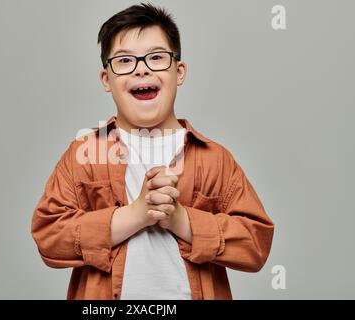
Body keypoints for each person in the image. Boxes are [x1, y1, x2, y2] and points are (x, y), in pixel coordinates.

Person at [31, 3, 274, 300]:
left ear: (179, 71)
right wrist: (135, 214)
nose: (142, 68)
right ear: (107, 79)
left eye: (157, 57)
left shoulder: (215, 160)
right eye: (124, 61)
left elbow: (256, 244)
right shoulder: (83, 155)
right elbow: (49, 236)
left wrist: (182, 220)